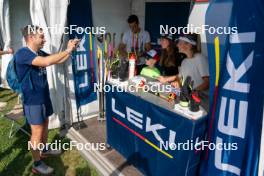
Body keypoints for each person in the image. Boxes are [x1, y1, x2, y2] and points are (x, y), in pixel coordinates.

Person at [15, 25, 79, 175]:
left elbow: (56, 60)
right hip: (33, 101)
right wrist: (68, 50)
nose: (44, 39)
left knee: (44, 124)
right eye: (41, 37)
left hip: (43, 97)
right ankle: (37, 163)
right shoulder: (23, 54)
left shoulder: (38, 52)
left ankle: (44, 150)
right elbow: (45, 62)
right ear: (31, 37)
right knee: (36, 132)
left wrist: (70, 49)